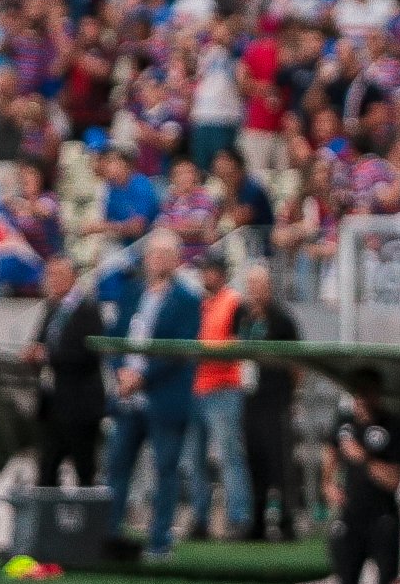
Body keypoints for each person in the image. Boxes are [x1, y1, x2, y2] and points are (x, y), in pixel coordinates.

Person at [104, 231, 203, 560]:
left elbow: (179, 350)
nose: (157, 259)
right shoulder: (131, 292)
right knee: (117, 466)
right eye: (153, 253)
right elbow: (115, 336)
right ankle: (110, 534)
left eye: (165, 253)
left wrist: (142, 377)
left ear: (176, 259)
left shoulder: (187, 300)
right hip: (127, 398)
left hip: (164, 397)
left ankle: (160, 540)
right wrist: (121, 371)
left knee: (165, 469)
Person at [180, 255, 252, 540]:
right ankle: (200, 517)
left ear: (221, 274)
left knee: (229, 455)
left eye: (209, 271)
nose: (205, 277)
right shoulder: (199, 304)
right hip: (196, 386)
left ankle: (239, 517)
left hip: (223, 387)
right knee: (193, 457)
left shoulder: (234, 302)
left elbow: (238, 343)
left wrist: (207, 350)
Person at [321, 367, 400, 584]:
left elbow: (394, 480)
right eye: (358, 392)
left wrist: (365, 459)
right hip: (351, 515)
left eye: (368, 392)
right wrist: (328, 485)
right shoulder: (344, 425)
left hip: (382, 517)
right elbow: (330, 456)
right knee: (346, 582)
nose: (362, 398)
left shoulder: (391, 427)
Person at [24, 254, 105, 488]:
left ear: (73, 277)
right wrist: (33, 354)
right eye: (50, 275)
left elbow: (89, 353)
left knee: (84, 469)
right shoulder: (52, 307)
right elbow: (41, 340)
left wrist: (49, 355)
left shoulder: (87, 309)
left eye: (59, 275)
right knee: (47, 467)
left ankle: (88, 522)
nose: (53, 281)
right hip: (53, 403)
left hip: (80, 404)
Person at [235, 264, 301, 541]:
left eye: (260, 286)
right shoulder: (243, 317)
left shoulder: (282, 320)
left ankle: (286, 521)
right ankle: (257, 521)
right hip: (251, 396)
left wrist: (292, 396)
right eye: (251, 286)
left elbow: (297, 364)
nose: (255, 292)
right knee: (254, 459)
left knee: (279, 461)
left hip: (276, 398)